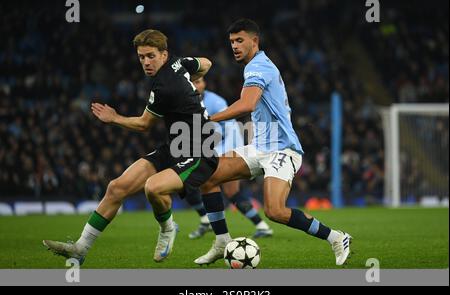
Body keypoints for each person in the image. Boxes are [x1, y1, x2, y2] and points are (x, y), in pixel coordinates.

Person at [43, 29, 219, 264]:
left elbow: (145, 124)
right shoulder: (179, 63)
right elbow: (206, 63)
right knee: (117, 187)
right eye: (141, 57)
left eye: (151, 56)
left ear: (163, 55)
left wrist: (115, 118)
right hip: (174, 145)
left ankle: (167, 229)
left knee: (153, 188)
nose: (146, 62)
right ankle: (80, 248)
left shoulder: (165, 86)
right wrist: (193, 80)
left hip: (200, 150)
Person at [194, 19, 352, 266]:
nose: (234, 46)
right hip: (260, 147)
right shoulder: (255, 66)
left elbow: (246, 105)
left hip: (283, 149)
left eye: (240, 40)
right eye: (231, 42)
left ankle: (336, 237)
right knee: (207, 176)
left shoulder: (259, 67)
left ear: (254, 41)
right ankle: (222, 240)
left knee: (275, 211)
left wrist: (208, 118)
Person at [185, 77, 273, 239]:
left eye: (199, 81)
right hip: (206, 150)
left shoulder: (216, 102)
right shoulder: (185, 102)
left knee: (223, 189)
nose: (196, 85)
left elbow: (232, 130)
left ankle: (209, 222)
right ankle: (261, 226)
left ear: (205, 83)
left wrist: (222, 155)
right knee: (193, 180)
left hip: (226, 149)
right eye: (193, 82)